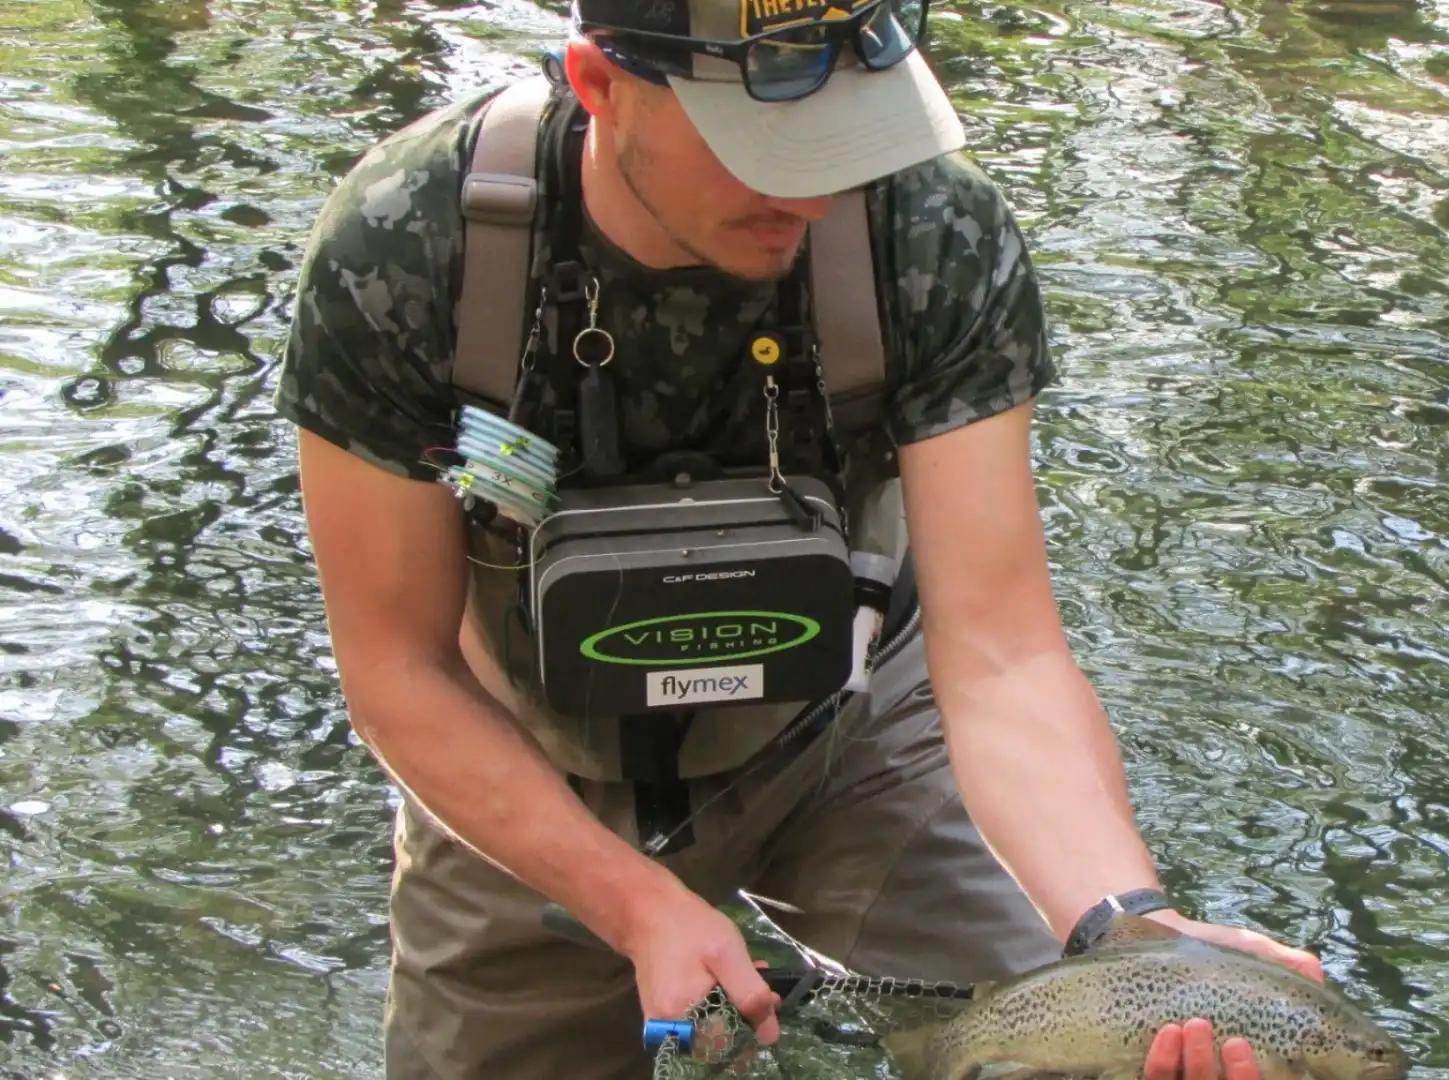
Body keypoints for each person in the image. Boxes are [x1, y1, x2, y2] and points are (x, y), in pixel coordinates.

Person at [274, 0, 1324, 1076]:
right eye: (762, 149)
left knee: (1078, 1048)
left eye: (847, 132)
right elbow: (398, 668)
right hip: (527, 766)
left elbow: (1003, 654)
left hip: (860, 730)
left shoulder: (927, 231)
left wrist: (1126, 928)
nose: (815, 188)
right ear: (600, 85)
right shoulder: (408, 245)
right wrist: (634, 902)